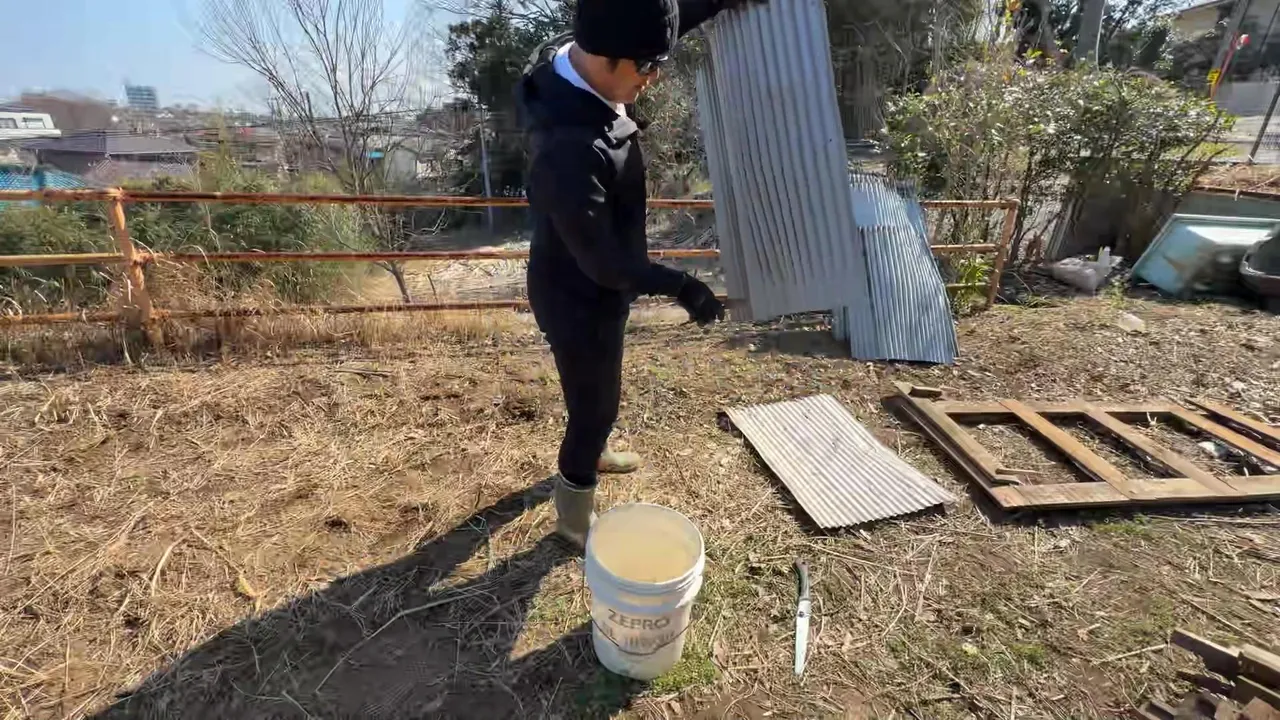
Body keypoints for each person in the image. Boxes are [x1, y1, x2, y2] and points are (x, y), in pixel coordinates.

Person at [517, 0, 756, 547]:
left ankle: (595, 451)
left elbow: (651, 23)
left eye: (657, 62)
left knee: (593, 392)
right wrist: (681, 285)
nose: (655, 77)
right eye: (647, 66)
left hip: (589, 277)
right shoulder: (569, 149)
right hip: (578, 295)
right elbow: (605, 265)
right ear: (608, 58)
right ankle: (574, 519)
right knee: (595, 407)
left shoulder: (575, 59)